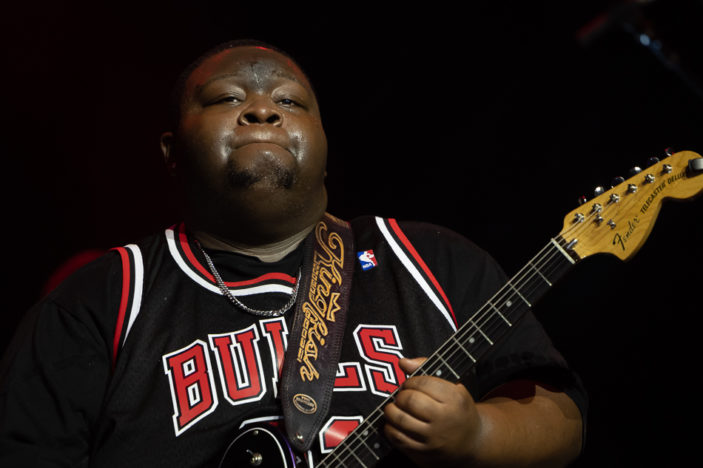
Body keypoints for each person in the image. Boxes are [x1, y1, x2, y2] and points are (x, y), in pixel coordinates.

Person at [0, 40, 585, 467]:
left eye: (291, 101)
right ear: (171, 152)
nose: (263, 110)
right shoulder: (97, 303)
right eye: (227, 97)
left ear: (325, 150)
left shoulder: (430, 258)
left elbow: (561, 416)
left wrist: (479, 434)